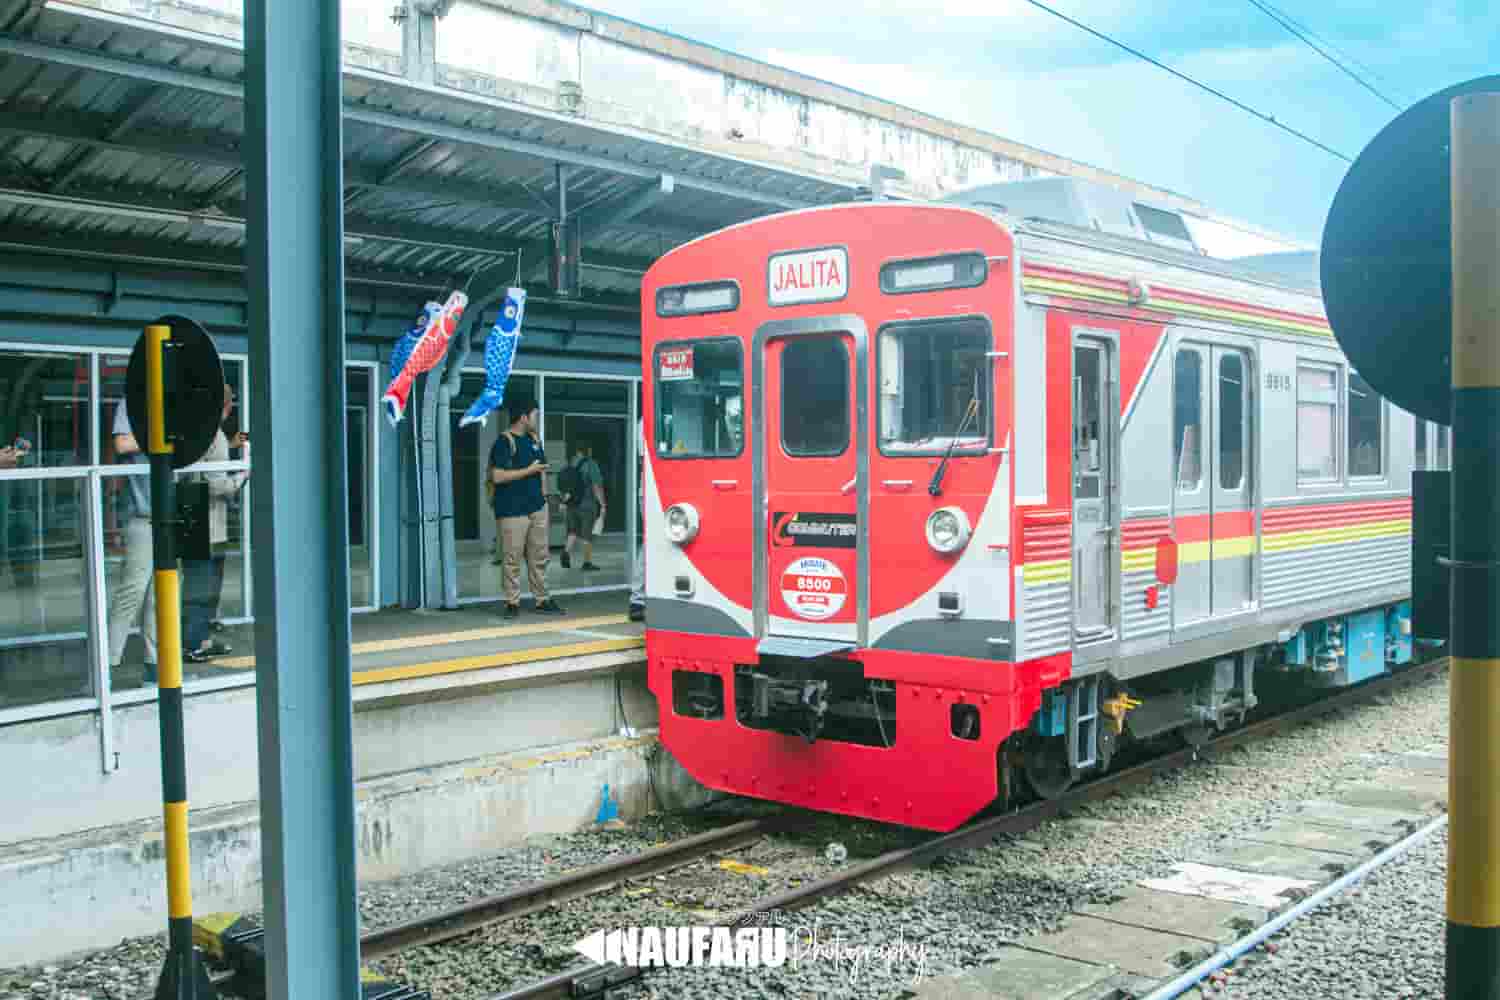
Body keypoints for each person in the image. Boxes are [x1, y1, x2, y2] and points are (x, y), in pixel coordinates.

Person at [181, 384, 248, 663]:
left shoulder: (195, 429)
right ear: (227, 405)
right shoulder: (214, 434)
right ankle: (196, 643)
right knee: (205, 584)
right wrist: (243, 474)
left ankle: (198, 639)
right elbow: (216, 483)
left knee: (199, 583)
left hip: (192, 516)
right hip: (208, 521)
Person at [489, 398, 564, 618]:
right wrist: (527, 471)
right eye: (535, 415)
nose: (537, 419)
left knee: (540, 556)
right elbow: (497, 476)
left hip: (537, 507)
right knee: (512, 558)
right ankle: (512, 603)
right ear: (523, 417)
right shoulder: (504, 442)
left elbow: (541, 469)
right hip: (512, 509)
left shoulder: (534, 440)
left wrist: (543, 496)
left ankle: (542, 599)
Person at [105, 403, 158, 685]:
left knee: (159, 600)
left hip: (172, 517)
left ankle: (155, 669)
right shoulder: (132, 402)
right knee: (132, 594)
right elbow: (122, 443)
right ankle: (106, 668)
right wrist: (163, 436)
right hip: (144, 516)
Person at [560, 443, 605, 572]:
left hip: (572, 504)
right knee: (587, 535)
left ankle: (566, 552)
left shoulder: (570, 464)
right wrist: (602, 504)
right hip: (587, 504)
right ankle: (587, 562)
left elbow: (564, 485)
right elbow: (597, 486)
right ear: (588, 450)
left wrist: (564, 501)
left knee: (572, 531)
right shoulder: (591, 464)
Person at [629, 414, 644, 622]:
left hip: (655, 489)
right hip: (653, 490)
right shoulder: (646, 422)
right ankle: (638, 598)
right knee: (652, 544)